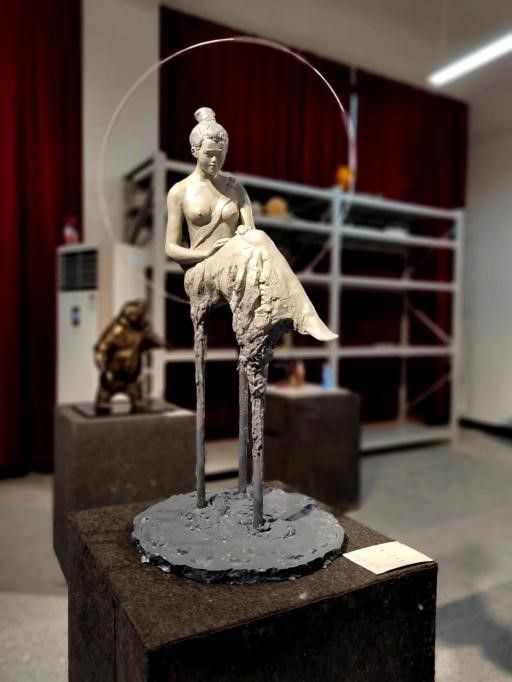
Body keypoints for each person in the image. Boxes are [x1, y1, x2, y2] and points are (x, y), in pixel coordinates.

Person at [165, 107, 336, 527]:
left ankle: (276, 320)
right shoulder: (180, 192)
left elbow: (251, 233)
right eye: (208, 154)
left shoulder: (235, 187)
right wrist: (203, 252)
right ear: (194, 150)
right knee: (251, 245)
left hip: (237, 260)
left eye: (220, 154)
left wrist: (241, 237)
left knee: (257, 237)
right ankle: (300, 315)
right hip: (201, 270)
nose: (214, 160)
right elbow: (171, 248)